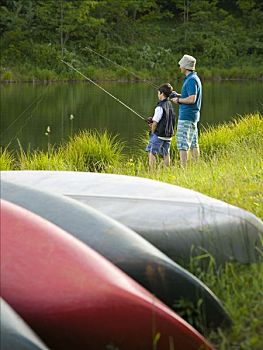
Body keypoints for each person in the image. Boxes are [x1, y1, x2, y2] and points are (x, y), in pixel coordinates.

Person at [171, 54, 202, 167]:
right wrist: (177, 95)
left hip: (187, 117)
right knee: (194, 143)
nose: (180, 67)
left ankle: (183, 168)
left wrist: (178, 100)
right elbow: (189, 95)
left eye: (181, 65)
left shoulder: (191, 80)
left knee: (182, 143)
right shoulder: (194, 78)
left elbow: (192, 99)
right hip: (193, 116)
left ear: (185, 66)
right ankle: (196, 166)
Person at [146, 83, 176, 170]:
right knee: (166, 154)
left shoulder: (159, 107)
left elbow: (155, 123)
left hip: (159, 135)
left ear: (162, 93)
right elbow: (165, 120)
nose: (158, 94)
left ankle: (152, 172)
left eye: (158, 93)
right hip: (168, 135)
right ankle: (167, 171)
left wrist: (152, 131)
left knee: (152, 152)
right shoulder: (170, 105)